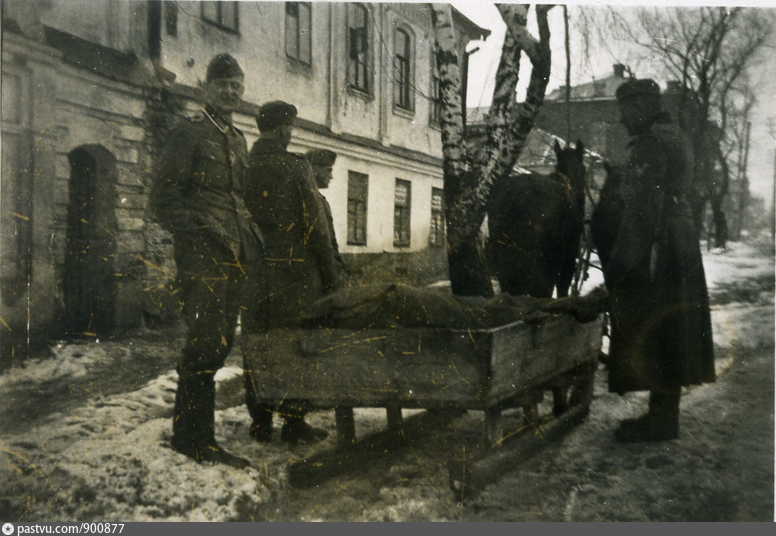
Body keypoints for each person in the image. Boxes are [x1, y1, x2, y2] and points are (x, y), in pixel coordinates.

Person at [150, 53, 263, 468]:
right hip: (204, 258)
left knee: (219, 344)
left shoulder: (237, 138)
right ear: (205, 90)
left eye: (237, 84)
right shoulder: (189, 134)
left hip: (233, 256)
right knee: (203, 345)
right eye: (222, 85)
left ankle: (197, 434)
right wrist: (199, 238)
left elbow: (238, 200)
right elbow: (163, 200)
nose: (231, 91)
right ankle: (193, 438)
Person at [603, 78, 715, 442]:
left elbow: (641, 209)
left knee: (656, 323)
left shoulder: (650, 144)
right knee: (673, 327)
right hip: (681, 237)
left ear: (641, 106)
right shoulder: (677, 135)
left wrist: (620, 264)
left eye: (625, 111)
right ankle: (664, 415)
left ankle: (661, 421)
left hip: (659, 243)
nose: (622, 120)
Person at [242, 101, 340, 445]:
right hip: (294, 277)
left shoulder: (244, 164)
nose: (290, 132)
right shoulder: (296, 167)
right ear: (284, 129)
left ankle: (260, 421)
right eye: (290, 127)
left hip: (253, 271)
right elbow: (317, 229)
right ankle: (294, 423)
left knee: (256, 342)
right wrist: (331, 278)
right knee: (293, 345)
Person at [305, 149, 348, 280]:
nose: (331, 176)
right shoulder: (309, 201)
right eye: (328, 170)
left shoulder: (322, 202)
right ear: (316, 170)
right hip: (313, 274)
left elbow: (332, 242)